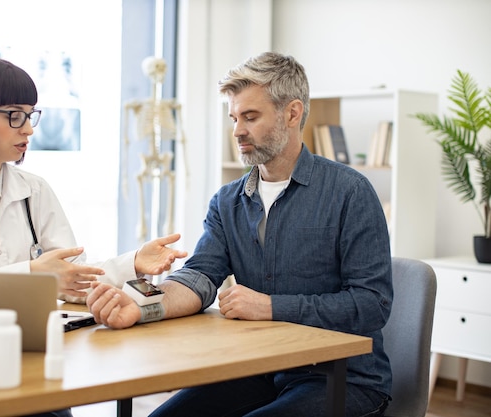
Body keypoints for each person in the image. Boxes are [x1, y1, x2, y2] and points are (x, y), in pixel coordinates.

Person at [86, 52, 393, 417]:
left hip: (341, 378)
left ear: (292, 113)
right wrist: (141, 306)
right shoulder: (227, 201)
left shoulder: (350, 192)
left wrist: (270, 306)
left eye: (250, 116)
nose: (237, 130)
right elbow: (199, 278)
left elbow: (373, 304)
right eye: (234, 117)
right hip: (257, 368)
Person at [0, 56, 187, 417]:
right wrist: (34, 274)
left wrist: (131, 261)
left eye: (31, 115)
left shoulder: (34, 190)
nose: (29, 130)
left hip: (36, 357)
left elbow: (72, 278)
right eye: (15, 116)